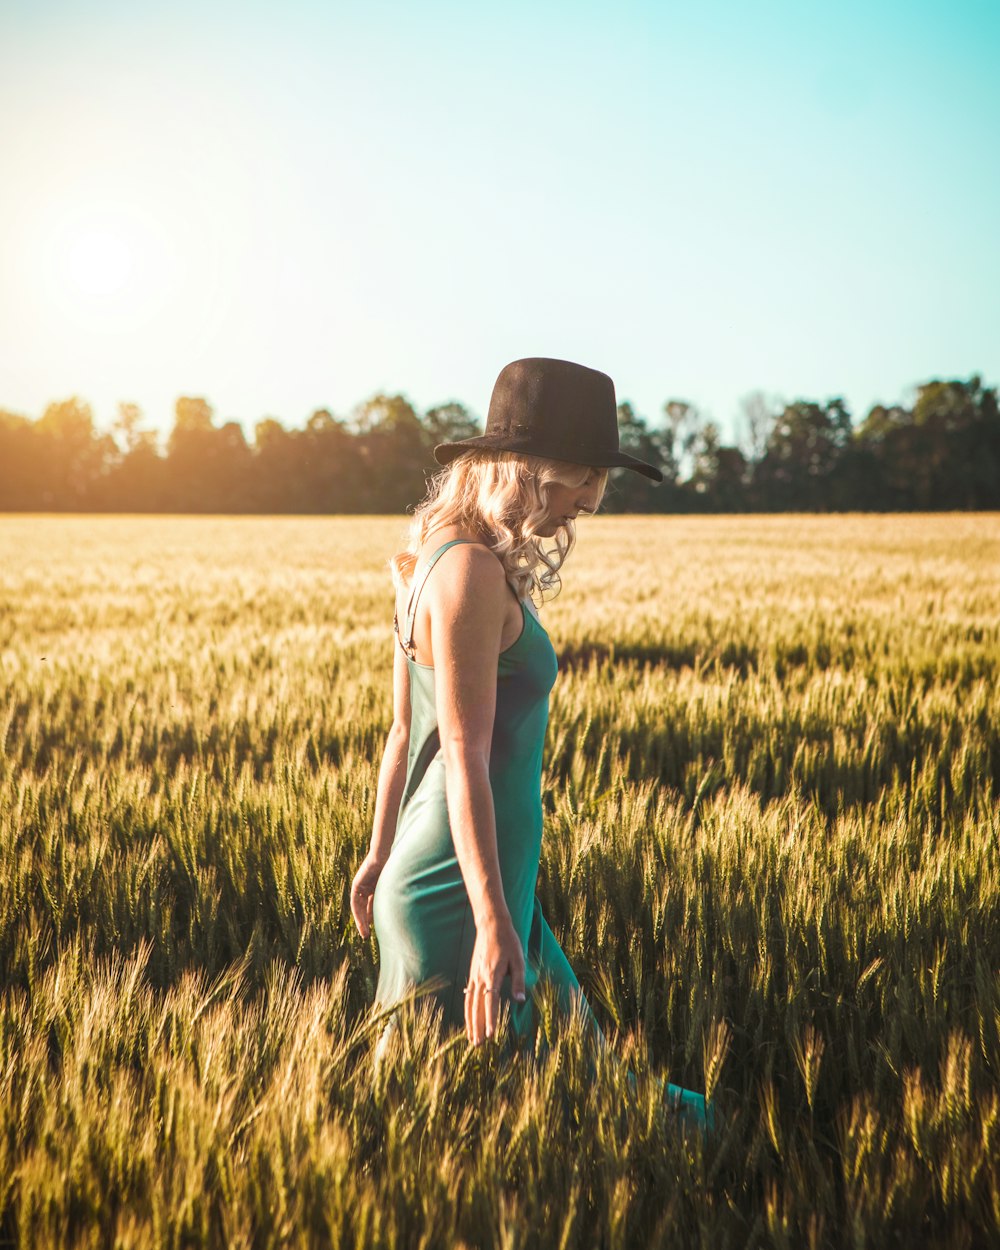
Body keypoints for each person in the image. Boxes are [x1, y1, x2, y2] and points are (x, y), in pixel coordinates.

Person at [350, 357, 711, 1131]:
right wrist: (489, 922)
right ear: (521, 470)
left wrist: (380, 855)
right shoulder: (473, 573)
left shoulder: (429, 558)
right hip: (462, 890)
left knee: (571, 1090)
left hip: (477, 877)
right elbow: (463, 755)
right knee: (467, 1117)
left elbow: (403, 734)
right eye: (574, 482)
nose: (582, 507)